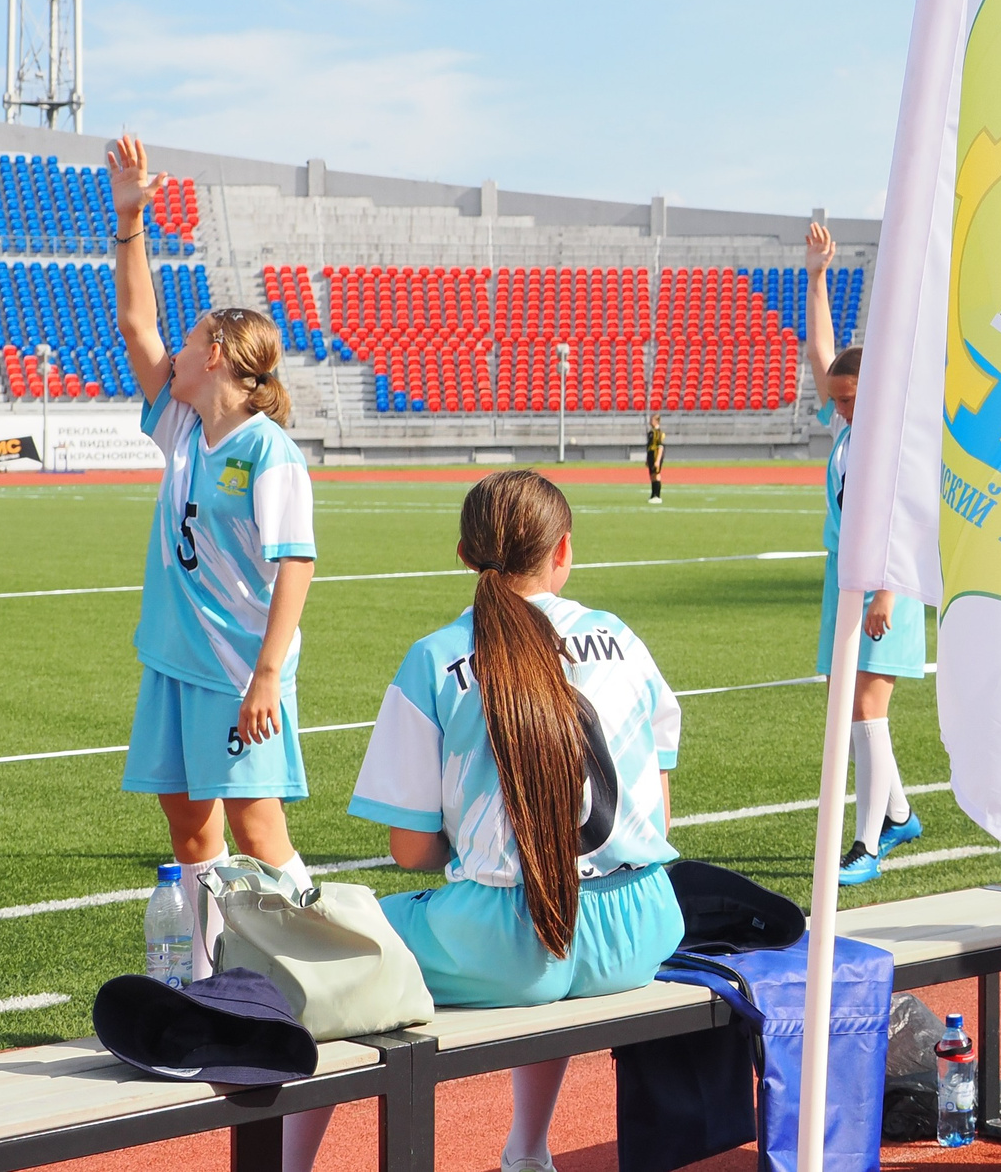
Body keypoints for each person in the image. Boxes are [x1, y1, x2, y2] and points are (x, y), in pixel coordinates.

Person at [284, 469, 685, 1172]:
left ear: (464, 554)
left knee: (329, 956)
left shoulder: (437, 657)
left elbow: (409, 849)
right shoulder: (620, 637)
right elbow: (661, 804)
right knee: (551, 914)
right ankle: (528, 1148)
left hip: (511, 938)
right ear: (563, 551)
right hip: (641, 922)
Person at [107, 134, 318, 959]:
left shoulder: (269, 450)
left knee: (260, 827)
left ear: (221, 357)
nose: (176, 347)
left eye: (192, 339)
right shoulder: (185, 426)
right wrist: (131, 221)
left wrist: (267, 675)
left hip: (238, 673)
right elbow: (134, 318)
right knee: (189, 830)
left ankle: (324, 962)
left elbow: (295, 563)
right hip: (174, 661)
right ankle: (203, 979)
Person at [804, 220, 924, 886]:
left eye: (849, 398)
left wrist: (887, 590)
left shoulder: (893, 436)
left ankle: (868, 842)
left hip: (886, 581)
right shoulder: (850, 423)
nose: (839, 406)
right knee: (846, 698)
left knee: (867, 704)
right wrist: (818, 276)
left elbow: (907, 517)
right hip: (844, 576)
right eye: (838, 397)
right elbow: (825, 357)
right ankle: (900, 812)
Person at [645, 411, 666, 505]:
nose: (650, 421)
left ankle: (657, 495)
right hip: (650, 455)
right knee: (652, 475)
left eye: (652, 420)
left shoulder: (659, 433)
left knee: (656, 474)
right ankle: (653, 495)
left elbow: (660, 447)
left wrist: (657, 460)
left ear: (656, 421)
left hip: (656, 454)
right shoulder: (651, 432)